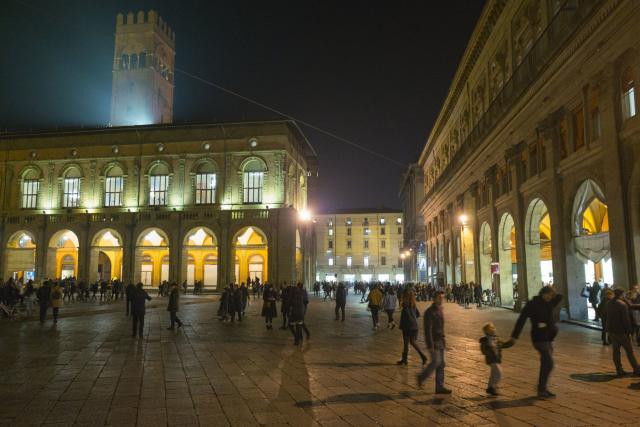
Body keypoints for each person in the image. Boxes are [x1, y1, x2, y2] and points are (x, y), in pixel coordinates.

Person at [509, 285, 563, 398]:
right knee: (549, 362)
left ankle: (542, 389)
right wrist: (514, 336)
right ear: (543, 293)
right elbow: (521, 320)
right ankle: (541, 388)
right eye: (549, 295)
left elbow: (560, 297)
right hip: (539, 337)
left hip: (548, 337)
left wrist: (552, 291)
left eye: (551, 296)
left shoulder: (548, 303)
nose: (551, 297)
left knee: (546, 364)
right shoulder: (532, 304)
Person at [417, 290, 450, 394]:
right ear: (434, 298)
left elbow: (441, 327)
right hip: (434, 341)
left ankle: (439, 387)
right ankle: (421, 377)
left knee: (442, 363)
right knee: (436, 362)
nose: (442, 299)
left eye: (442, 298)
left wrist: (444, 340)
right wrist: (430, 345)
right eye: (440, 298)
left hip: (440, 340)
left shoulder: (440, 310)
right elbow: (427, 330)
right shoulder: (429, 312)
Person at [604, 288, 640, 377]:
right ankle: (636, 369)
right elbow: (625, 320)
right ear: (622, 294)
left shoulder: (609, 303)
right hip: (622, 332)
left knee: (616, 351)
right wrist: (629, 331)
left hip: (612, 331)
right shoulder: (622, 304)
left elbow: (605, 316)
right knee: (629, 352)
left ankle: (619, 370)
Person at [479, 322, 513, 396]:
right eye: (491, 328)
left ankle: (490, 387)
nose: (494, 329)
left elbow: (503, 345)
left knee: (494, 374)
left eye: (494, 328)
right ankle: (493, 387)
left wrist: (511, 342)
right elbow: (484, 350)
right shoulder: (485, 340)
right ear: (487, 331)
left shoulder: (496, 338)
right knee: (499, 373)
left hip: (496, 359)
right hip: (491, 359)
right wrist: (490, 352)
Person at [397, 288, 427, 366]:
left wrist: (408, 321)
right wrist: (413, 320)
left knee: (406, 343)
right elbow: (418, 314)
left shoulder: (405, 304)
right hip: (414, 326)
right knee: (412, 342)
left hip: (407, 326)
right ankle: (423, 356)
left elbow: (407, 314)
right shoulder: (413, 304)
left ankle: (405, 359)